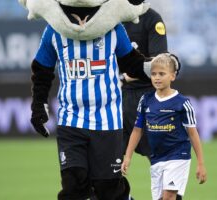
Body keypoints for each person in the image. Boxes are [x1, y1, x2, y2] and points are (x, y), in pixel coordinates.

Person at [28, 2, 160, 199]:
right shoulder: (54, 31)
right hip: (71, 120)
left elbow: (132, 63)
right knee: (73, 185)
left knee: (107, 189)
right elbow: (42, 70)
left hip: (107, 121)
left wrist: (160, 67)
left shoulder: (113, 29)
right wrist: (39, 104)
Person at [121, 53, 207, 200]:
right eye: (153, 74)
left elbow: (193, 134)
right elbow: (137, 130)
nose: (157, 77)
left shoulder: (182, 103)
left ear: (172, 76)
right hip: (156, 158)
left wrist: (201, 163)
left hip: (177, 157)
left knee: (168, 196)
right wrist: (128, 157)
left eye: (162, 74)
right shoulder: (146, 100)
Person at [122, 0, 168, 160]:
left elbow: (159, 62)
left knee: (159, 160)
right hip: (117, 98)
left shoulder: (152, 19)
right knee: (111, 164)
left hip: (147, 96)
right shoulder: (113, 19)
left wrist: (124, 77)